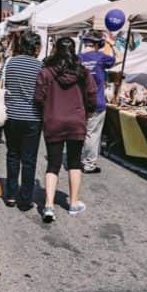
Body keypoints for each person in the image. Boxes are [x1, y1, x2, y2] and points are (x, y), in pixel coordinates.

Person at [34, 36, 97, 222]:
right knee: (74, 162)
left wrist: (45, 110)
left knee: (53, 164)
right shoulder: (83, 72)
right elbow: (92, 95)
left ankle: (48, 206)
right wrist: (88, 111)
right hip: (76, 120)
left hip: (53, 120)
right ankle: (74, 202)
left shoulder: (46, 72)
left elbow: (38, 97)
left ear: (56, 49)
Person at [2, 30, 43, 209]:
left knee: (12, 155)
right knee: (29, 159)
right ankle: (25, 199)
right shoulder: (40, 67)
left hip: (10, 115)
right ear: (35, 47)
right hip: (32, 116)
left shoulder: (9, 63)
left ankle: (10, 195)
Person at [79, 32, 116, 174]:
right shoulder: (101, 57)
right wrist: (111, 44)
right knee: (92, 134)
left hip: (81, 101)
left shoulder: (78, 58)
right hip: (97, 102)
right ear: (97, 44)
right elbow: (117, 59)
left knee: (83, 132)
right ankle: (89, 164)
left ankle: (82, 159)